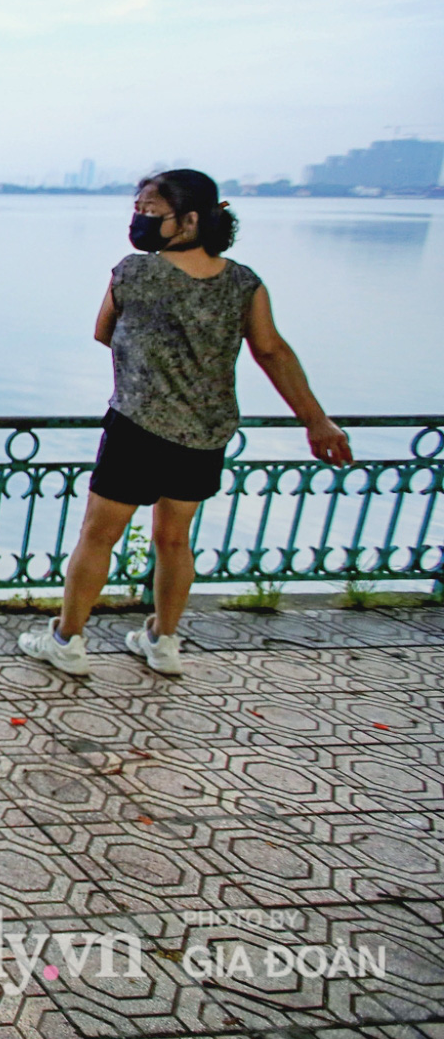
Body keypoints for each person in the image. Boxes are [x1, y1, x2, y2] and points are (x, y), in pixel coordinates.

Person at [19, 170, 350, 679]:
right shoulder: (243, 283)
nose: (139, 218)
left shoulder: (133, 272)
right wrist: (316, 420)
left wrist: (151, 363)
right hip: (204, 434)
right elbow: (271, 350)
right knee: (175, 539)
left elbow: (103, 331)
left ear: (190, 219)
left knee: (98, 536)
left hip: (136, 426)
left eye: (151, 210)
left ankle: (68, 638)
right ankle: (164, 640)